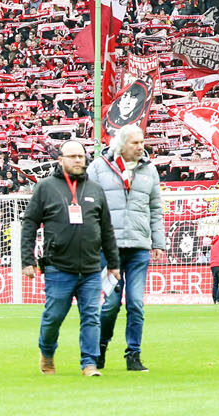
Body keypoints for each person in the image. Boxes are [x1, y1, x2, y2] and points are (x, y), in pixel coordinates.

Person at [19, 140, 120, 376]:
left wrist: (113, 263)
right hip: (58, 268)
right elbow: (30, 224)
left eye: (81, 156)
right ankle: (47, 352)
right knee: (53, 317)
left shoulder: (95, 189)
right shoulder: (45, 187)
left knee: (91, 317)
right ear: (60, 159)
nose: (77, 160)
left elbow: (106, 229)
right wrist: (27, 260)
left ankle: (89, 363)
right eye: (72, 156)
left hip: (91, 268)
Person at [86, 124, 166, 372]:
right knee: (110, 304)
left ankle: (134, 354)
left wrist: (158, 242)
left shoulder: (149, 170)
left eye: (142, 142)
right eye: (135, 143)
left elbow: (155, 208)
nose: (141, 146)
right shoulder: (98, 168)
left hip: (139, 247)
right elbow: (88, 205)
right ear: (121, 144)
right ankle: (99, 349)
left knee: (136, 303)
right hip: (109, 249)